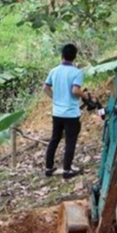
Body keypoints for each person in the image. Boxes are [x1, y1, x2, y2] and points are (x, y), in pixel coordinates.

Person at [43, 44, 85, 179]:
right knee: (70, 141)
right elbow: (75, 90)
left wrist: (54, 98)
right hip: (71, 113)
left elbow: (45, 88)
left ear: (62, 56)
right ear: (74, 57)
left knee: (55, 139)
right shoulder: (76, 72)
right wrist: (86, 96)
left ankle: (48, 168)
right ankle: (67, 170)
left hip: (57, 112)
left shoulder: (54, 71)